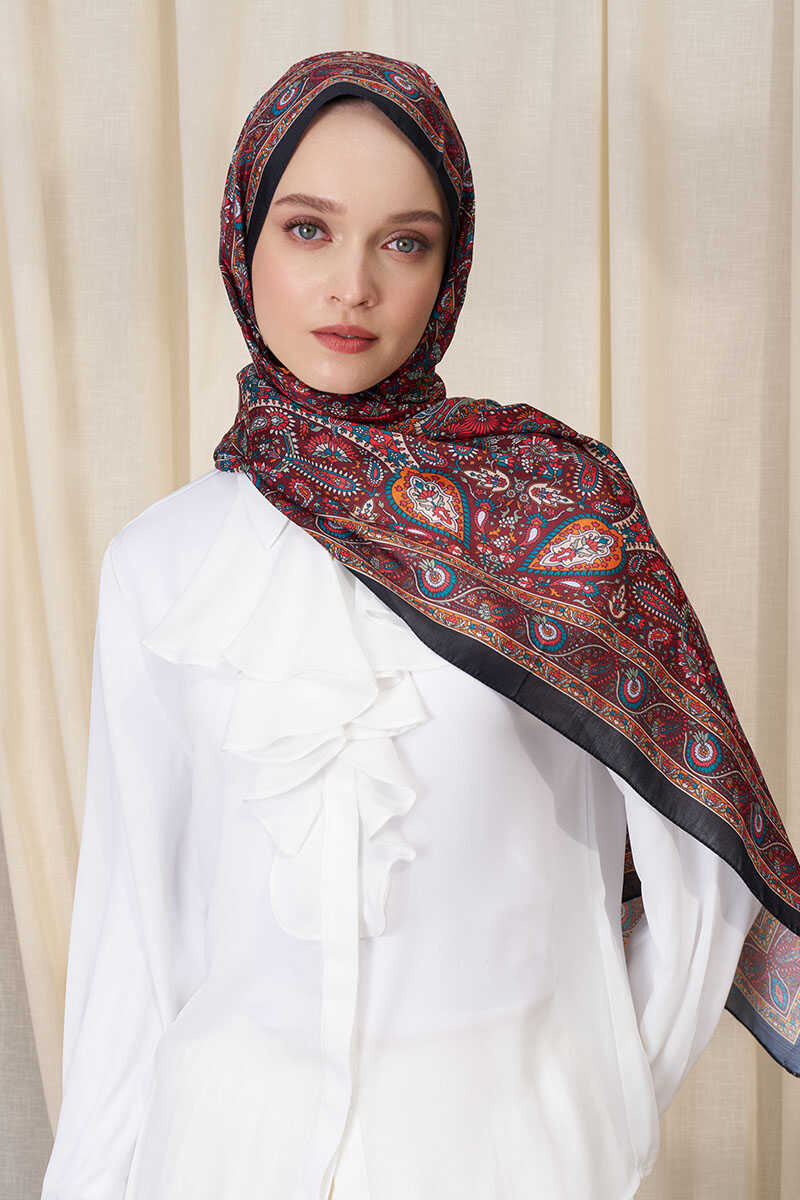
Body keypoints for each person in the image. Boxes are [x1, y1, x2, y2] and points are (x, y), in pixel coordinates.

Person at [40, 49, 799, 1200]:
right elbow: (130, 939)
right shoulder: (159, 562)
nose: (350, 286)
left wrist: (589, 1103)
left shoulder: (558, 518)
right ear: (244, 240)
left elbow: (704, 866)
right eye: (307, 229)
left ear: (448, 270)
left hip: (501, 1159)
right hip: (217, 1156)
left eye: (403, 243)